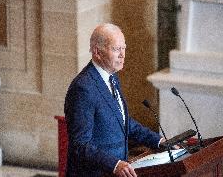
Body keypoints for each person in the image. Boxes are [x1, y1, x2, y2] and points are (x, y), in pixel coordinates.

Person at [64, 23, 164, 177]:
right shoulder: (83, 88)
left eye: (124, 48)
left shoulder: (111, 77)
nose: (123, 55)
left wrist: (159, 141)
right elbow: (80, 144)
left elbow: (123, 122)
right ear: (97, 52)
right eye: (116, 49)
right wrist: (115, 164)